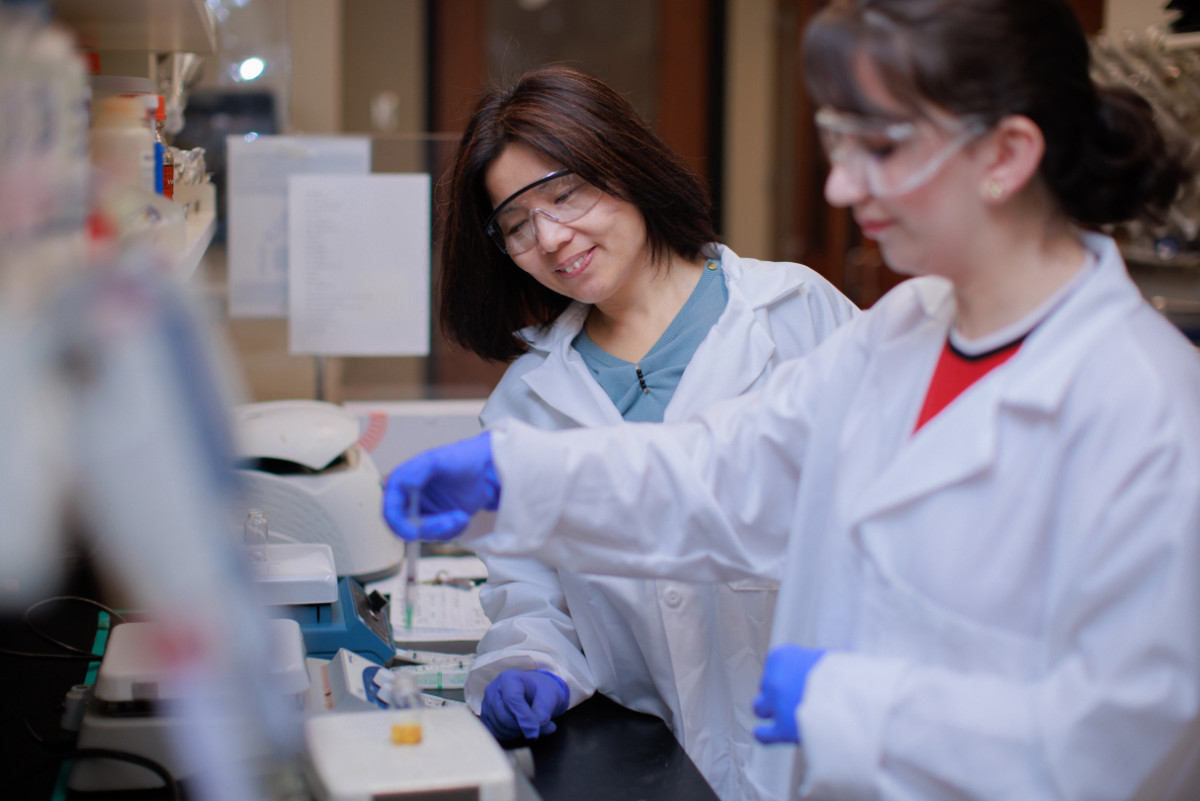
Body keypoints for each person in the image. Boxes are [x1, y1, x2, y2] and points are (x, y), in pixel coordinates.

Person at [386, 2, 1200, 800]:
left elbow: (1123, 740)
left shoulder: (1147, 405)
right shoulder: (905, 333)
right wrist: (518, 481)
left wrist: (858, 707)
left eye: (877, 145)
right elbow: (729, 471)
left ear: (1008, 153)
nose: (841, 185)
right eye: (838, 143)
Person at [435, 64, 858, 801]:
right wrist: (527, 662)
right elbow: (532, 598)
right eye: (515, 224)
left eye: (564, 193)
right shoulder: (528, 403)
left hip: (828, 754)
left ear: (624, 163)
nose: (551, 237)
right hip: (659, 768)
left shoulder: (795, 313)